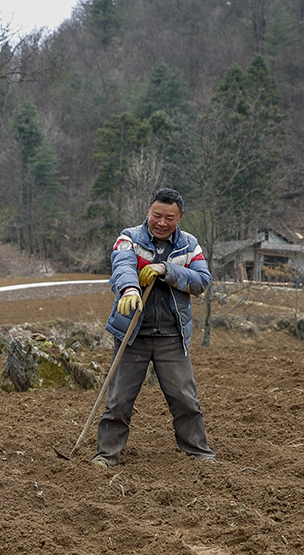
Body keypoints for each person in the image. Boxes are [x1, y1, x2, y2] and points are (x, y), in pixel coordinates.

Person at [92, 189, 215, 467]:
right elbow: (121, 265)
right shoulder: (130, 238)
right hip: (132, 334)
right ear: (148, 211)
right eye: (156, 215)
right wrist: (130, 289)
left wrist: (166, 271)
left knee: (185, 399)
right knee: (118, 399)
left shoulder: (189, 246)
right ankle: (107, 455)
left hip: (172, 336)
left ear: (179, 217)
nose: (161, 222)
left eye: (168, 218)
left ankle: (199, 452)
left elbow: (201, 281)